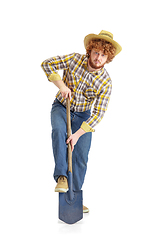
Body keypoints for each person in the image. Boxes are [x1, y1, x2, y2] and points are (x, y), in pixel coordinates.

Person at [41, 30, 122, 213]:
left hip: (84, 117)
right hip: (62, 107)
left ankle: (75, 196)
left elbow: (98, 114)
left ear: (108, 57)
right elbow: (47, 64)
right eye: (96, 52)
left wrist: (77, 135)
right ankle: (61, 177)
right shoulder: (74, 59)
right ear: (90, 50)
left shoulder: (105, 82)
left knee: (81, 157)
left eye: (103, 55)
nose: (98, 57)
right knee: (59, 132)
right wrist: (61, 86)